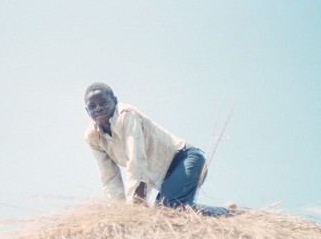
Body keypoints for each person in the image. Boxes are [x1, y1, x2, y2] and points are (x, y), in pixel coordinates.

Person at [84, 82, 231, 216]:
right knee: (164, 215)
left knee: (170, 209)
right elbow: (109, 177)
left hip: (186, 160)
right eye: (92, 106)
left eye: (103, 103)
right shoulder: (93, 136)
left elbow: (136, 161)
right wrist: (121, 212)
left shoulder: (126, 115)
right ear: (87, 111)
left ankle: (230, 214)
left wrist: (136, 206)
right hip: (165, 178)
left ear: (115, 101)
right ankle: (225, 211)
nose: (98, 108)